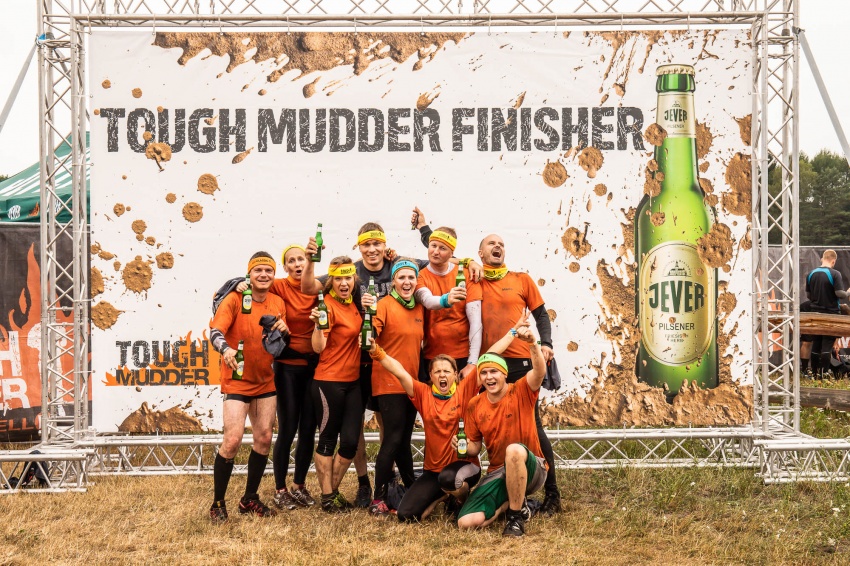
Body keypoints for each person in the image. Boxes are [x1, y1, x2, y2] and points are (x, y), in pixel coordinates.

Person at [370, 312, 532, 524]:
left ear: (456, 375)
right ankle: (444, 495)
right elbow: (399, 371)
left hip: (464, 465)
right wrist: (377, 352)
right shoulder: (423, 393)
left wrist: (514, 331)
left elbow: (490, 354)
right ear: (431, 376)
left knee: (449, 478)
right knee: (407, 515)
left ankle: (460, 499)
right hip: (433, 471)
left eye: (447, 371)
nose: (442, 375)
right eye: (437, 372)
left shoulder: (465, 389)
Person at [475, 233, 561, 514]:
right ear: (480, 253)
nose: (498, 246)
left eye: (501, 244)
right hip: (489, 365)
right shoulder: (474, 279)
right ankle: (498, 488)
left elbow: (541, 315)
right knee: (490, 426)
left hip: (521, 363)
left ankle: (553, 494)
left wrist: (546, 344)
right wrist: (423, 230)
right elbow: (440, 255)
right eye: (491, 243)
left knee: (532, 426)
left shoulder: (521, 279)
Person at [208, 252, 288, 521]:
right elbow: (215, 332)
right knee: (232, 440)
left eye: (268, 270)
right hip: (237, 379)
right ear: (249, 274)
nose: (263, 275)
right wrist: (226, 350)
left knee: (264, 438)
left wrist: (283, 331)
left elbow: (279, 341)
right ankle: (218, 503)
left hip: (265, 379)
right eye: (258, 270)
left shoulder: (278, 302)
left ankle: (249, 499)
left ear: (273, 275)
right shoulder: (234, 298)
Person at [456, 327, 547, 537]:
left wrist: (533, 343)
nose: (489, 377)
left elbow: (539, 372)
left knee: (513, 450)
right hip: (498, 471)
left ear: (504, 373)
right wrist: (463, 447)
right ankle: (512, 503)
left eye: (494, 371)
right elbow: (475, 447)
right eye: (484, 373)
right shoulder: (474, 404)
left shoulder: (521, 390)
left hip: (533, 467)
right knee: (466, 522)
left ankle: (515, 519)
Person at [305, 254, 363, 513]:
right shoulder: (326, 306)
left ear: (354, 279)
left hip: (353, 382)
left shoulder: (353, 303)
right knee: (328, 440)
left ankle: (332, 492)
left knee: (350, 443)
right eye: (338, 279)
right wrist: (318, 326)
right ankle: (328, 496)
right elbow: (318, 348)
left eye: (348, 277)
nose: (344, 283)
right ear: (331, 282)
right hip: (328, 382)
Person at [367, 259, 425, 517]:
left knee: (403, 440)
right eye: (401, 277)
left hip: (410, 384)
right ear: (393, 281)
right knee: (392, 439)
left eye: (411, 277)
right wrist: (368, 322)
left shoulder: (419, 308)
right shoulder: (384, 305)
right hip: (388, 382)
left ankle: (411, 487)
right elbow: (370, 334)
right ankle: (378, 498)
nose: (407, 282)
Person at [412, 226, 483, 380]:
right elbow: (428, 301)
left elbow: (476, 322)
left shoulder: (466, 274)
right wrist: (447, 299)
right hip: (432, 356)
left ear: (452, 253)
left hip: (462, 356)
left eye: (442, 248)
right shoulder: (419, 276)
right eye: (433, 246)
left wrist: (472, 363)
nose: (436, 252)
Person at [803, 249, 849, 378]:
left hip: (815, 314)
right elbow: (839, 293)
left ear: (823, 258)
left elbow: (809, 295)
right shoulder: (835, 273)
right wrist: (848, 292)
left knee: (816, 344)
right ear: (833, 261)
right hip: (831, 314)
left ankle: (815, 374)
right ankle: (823, 375)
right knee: (827, 346)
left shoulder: (811, 274)